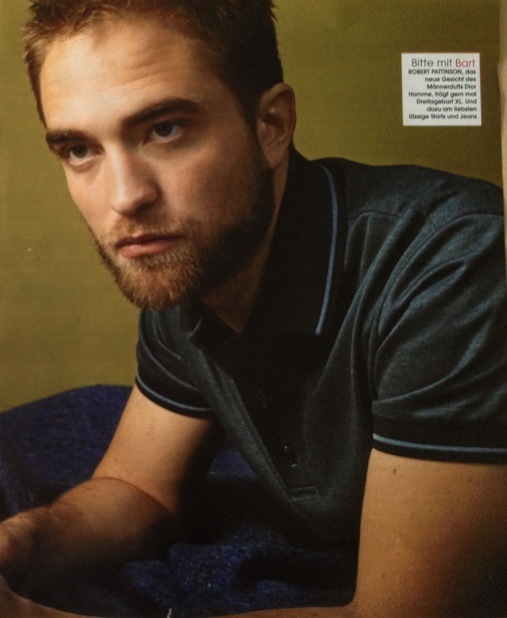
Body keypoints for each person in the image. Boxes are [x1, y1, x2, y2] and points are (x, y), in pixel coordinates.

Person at [1, 0, 506, 616]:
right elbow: (138, 488)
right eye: (80, 149)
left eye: (165, 129)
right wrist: (23, 543)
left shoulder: (453, 265)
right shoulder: (188, 258)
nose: (125, 198)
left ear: (272, 125)